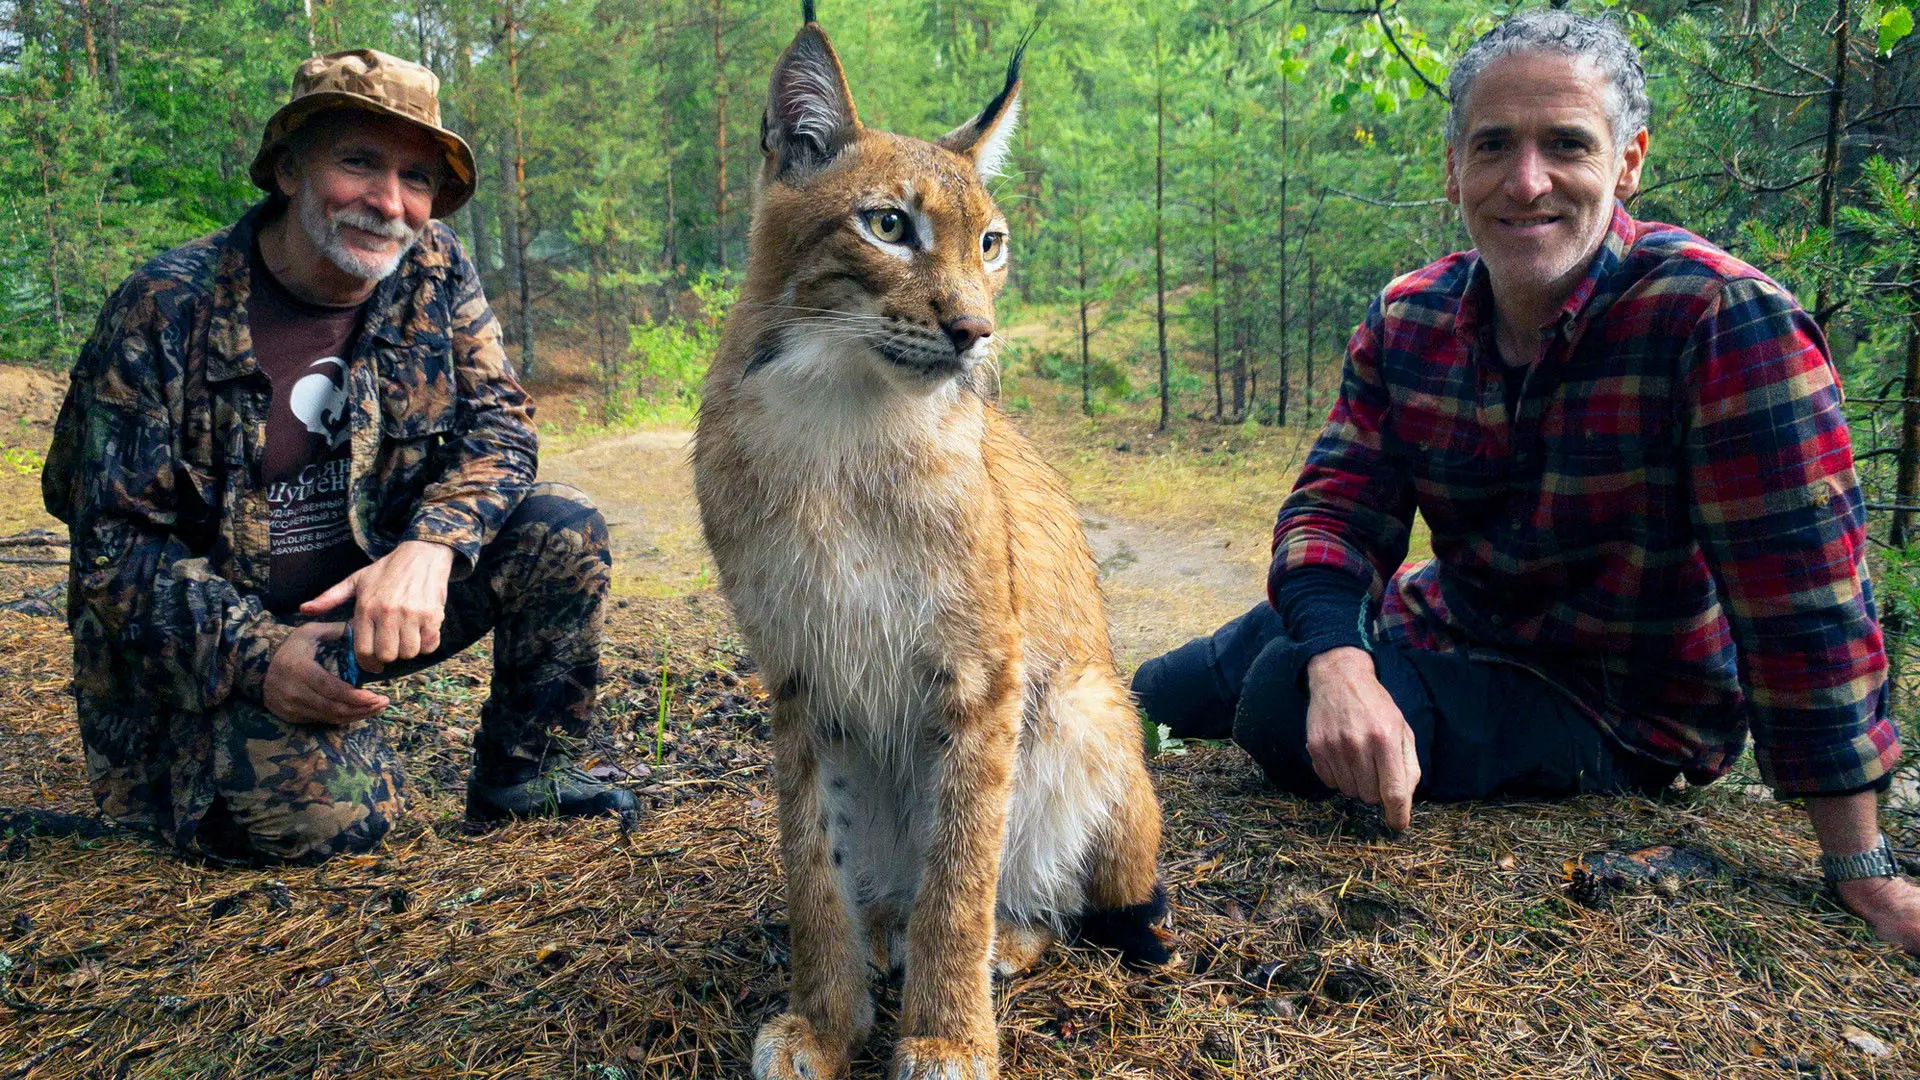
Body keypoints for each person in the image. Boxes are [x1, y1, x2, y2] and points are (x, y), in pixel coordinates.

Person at [1133, 12, 1919, 952]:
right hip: (1455, 625)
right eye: (1495, 145)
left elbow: (1804, 602)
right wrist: (1342, 658)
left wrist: (1860, 867)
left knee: (1275, 700)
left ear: (1627, 163)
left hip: (1618, 704)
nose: (1527, 181)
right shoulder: (1408, 319)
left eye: (1567, 146)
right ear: (1453, 167)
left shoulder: (1719, 321)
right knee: (1161, 692)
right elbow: (1335, 510)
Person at [41, 48, 635, 866]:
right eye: (359, 162)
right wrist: (259, 655)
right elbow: (113, 552)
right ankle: (207, 766)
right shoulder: (164, 309)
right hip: (216, 647)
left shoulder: (431, 268)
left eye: (418, 178)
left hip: (365, 611)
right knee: (342, 825)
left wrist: (432, 545)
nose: (390, 203)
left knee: (560, 531)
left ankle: (527, 775)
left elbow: (501, 423)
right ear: (288, 169)